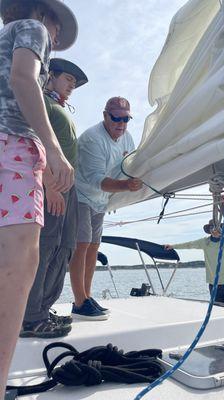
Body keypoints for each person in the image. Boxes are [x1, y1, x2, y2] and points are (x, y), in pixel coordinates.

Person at [0, 0, 77, 397]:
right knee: (17, 268)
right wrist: (52, 149)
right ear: (40, 12)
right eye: (58, 25)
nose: (57, 35)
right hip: (13, 147)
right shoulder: (34, 29)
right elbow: (23, 80)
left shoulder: (4, 36)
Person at [20, 58, 88, 339]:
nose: (72, 85)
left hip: (68, 188)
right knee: (46, 246)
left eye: (74, 83)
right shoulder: (43, 105)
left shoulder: (58, 106)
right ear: (50, 78)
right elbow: (34, 140)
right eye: (68, 80)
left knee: (65, 247)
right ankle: (31, 317)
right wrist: (50, 185)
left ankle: (43, 308)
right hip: (52, 185)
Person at [69, 97, 143, 320]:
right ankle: (79, 302)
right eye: (116, 117)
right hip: (80, 194)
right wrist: (126, 187)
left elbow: (128, 166)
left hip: (100, 201)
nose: (121, 123)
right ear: (105, 116)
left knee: (93, 246)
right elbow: (96, 180)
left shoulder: (127, 138)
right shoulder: (93, 139)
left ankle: (88, 297)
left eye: (125, 119)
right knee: (81, 245)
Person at [166, 220, 224, 305]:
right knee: (218, 312)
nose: (215, 230)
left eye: (217, 227)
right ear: (209, 230)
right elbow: (189, 244)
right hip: (214, 286)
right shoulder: (205, 242)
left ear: (221, 229)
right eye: (212, 227)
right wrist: (173, 246)